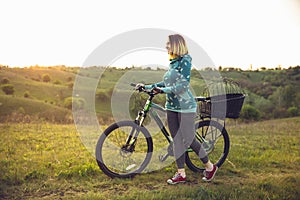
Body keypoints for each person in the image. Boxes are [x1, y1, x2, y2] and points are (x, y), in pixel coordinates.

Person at [136, 34, 217, 184]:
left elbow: (183, 85)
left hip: (185, 107)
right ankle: (181, 173)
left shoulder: (185, 60)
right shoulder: (173, 62)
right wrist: (148, 86)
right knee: (177, 140)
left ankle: (210, 167)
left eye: (168, 44)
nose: (166, 47)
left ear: (176, 44)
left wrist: (163, 90)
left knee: (189, 138)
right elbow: (166, 81)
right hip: (171, 106)